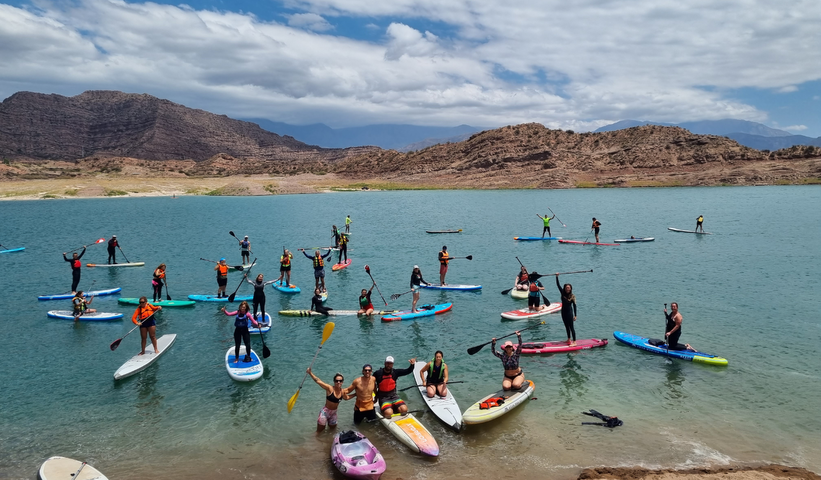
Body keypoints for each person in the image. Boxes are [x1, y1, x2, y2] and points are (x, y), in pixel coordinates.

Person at [307, 367, 351, 432]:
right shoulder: (330, 389)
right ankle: (314, 441)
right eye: (336, 381)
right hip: (325, 412)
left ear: (342, 382)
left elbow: (346, 398)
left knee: (332, 431)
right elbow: (318, 381)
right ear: (334, 381)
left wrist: (356, 394)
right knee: (319, 432)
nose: (338, 382)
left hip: (334, 413)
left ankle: (329, 441)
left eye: (340, 381)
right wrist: (310, 373)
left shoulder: (342, 391)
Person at [556, 274, 578, 346]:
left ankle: (574, 342)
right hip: (563, 312)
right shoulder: (562, 293)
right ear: (565, 288)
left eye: (569, 287)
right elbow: (558, 285)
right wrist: (557, 277)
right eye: (566, 287)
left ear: (571, 288)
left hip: (569, 313)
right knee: (566, 326)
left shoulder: (572, 296)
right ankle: (569, 339)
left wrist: (575, 315)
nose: (567, 288)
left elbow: (574, 306)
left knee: (571, 327)